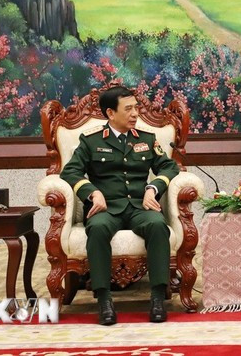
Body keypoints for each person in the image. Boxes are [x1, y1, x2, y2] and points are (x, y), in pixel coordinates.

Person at [60, 85, 180, 326]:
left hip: (139, 207)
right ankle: (104, 300)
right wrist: (92, 192)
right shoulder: (91, 141)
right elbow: (70, 171)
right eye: (129, 109)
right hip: (106, 209)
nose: (135, 113)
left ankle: (157, 297)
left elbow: (169, 167)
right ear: (110, 114)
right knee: (98, 228)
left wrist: (152, 188)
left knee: (158, 225)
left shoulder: (147, 140)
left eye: (136, 107)